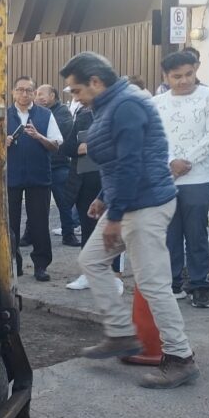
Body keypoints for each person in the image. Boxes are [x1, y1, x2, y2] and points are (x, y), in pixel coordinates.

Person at [61, 51, 198, 389]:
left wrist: (114, 216)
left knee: (152, 284)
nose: (75, 98)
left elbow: (131, 164)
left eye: (76, 90)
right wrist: (105, 200)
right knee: (91, 259)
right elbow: (114, 163)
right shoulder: (108, 106)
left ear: (96, 82)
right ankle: (121, 333)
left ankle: (181, 358)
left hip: (147, 202)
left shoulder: (126, 106)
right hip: (129, 201)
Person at [152, 51, 209, 309]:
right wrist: (171, 161)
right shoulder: (157, 102)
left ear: (195, 70)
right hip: (166, 177)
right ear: (166, 76)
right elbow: (153, 136)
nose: (183, 81)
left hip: (198, 178)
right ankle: (172, 283)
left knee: (196, 233)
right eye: (176, 76)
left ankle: (199, 284)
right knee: (170, 234)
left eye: (188, 74)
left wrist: (186, 162)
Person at [0, 76, 63, 281]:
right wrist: (2, 143)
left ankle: (41, 266)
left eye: (29, 90)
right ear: (13, 92)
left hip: (39, 177)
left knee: (39, 223)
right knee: (9, 223)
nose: (24, 94)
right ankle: (13, 265)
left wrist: (39, 137)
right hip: (9, 178)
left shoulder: (45, 115)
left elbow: (56, 145)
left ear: (34, 93)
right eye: (20, 90)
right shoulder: (2, 115)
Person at [60, 105, 124, 295]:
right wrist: (83, 148)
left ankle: (115, 276)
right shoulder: (83, 117)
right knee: (88, 229)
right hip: (84, 182)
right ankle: (88, 275)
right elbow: (67, 147)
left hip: (110, 182)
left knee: (113, 231)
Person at [35, 83, 80, 247]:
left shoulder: (62, 113)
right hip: (40, 164)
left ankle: (68, 234)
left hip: (58, 164)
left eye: (41, 94)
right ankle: (29, 234)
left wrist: (38, 134)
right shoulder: (36, 113)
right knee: (37, 204)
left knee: (64, 202)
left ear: (52, 96)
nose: (38, 97)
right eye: (36, 94)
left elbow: (59, 135)